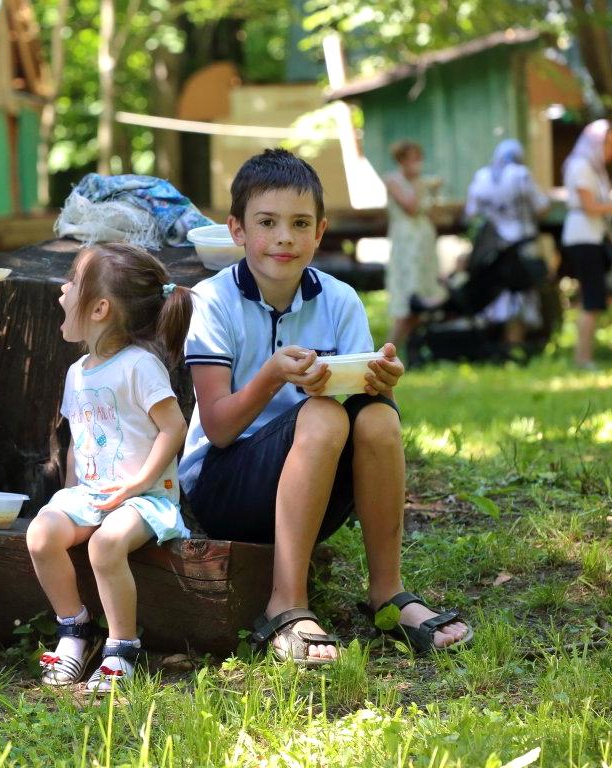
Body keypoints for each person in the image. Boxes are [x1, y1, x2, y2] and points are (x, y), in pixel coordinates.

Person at [178, 148, 472, 666]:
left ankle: (388, 594)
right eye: (267, 222)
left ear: (320, 232)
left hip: (314, 483)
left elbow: (363, 408)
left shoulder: (339, 299)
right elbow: (219, 429)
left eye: (300, 224)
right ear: (237, 230)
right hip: (223, 490)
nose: (284, 237)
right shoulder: (213, 302)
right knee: (322, 412)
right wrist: (272, 374)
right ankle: (286, 605)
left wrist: (382, 383)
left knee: (377, 415)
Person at [26, 242, 193, 692]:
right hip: (94, 495)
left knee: (104, 547)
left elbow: (173, 428)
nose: (63, 290)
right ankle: (74, 628)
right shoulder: (77, 371)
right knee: (41, 534)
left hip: (145, 497)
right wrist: (71, 495)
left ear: (99, 308)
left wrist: (139, 483)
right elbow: (79, 440)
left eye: (73, 283)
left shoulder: (140, 366)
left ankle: (122, 645)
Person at [463, 138, 551, 350]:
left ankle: (495, 343)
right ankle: (514, 344)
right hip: (520, 245)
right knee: (520, 292)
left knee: (494, 291)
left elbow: (471, 213)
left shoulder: (482, 176)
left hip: (491, 248)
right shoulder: (521, 175)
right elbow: (540, 206)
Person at [383, 140, 445, 353]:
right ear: (402, 160)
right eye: (412, 158)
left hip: (423, 245)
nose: (416, 163)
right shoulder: (394, 180)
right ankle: (384, 354)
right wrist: (421, 183)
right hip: (406, 246)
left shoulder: (423, 183)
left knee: (422, 304)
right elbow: (410, 206)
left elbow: (431, 213)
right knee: (408, 302)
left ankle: (412, 353)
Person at [560, 119, 612, 370]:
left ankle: (587, 354)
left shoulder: (596, 168)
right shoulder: (580, 165)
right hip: (583, 237)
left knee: (598, 295)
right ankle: (583, 358)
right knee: (592, 297)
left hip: (596, 237)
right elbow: (590, 206)